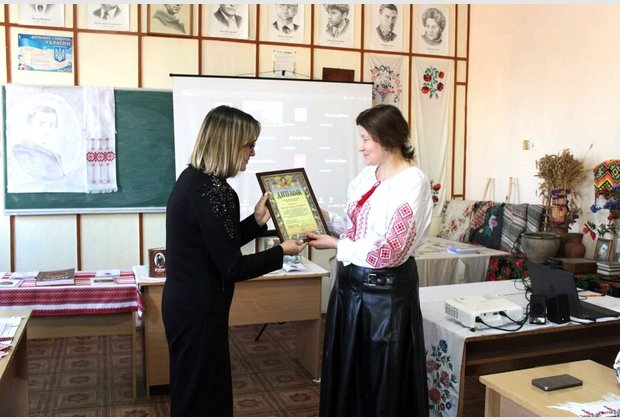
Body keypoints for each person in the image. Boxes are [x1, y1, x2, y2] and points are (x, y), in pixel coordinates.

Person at [162, 105, 307, 416]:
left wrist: (255, 222)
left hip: (185, 304)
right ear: (230, 143)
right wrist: (281, 252)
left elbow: (215, 244)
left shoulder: (194, 180)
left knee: (193, 390)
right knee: (204, 396)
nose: (252, 153)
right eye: (249, 145)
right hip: (200, 310)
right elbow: (232, 267)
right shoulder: (216, 192)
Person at [306, 104, 432, 416]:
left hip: (384, 297)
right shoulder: (366, 176)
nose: (359, 146)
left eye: (365, 139)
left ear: (387, 138)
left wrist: (336, 244)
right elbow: (357, 231)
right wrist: (326, 218)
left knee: (380, 378)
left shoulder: (412, 182)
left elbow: (391, 251)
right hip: (349, 287)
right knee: (348, 371)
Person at [12, 105, 64, 180]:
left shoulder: (55, 155)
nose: (47, 130)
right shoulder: (22, 153)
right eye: (41, 125)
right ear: (29, 126)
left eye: (51, 125)